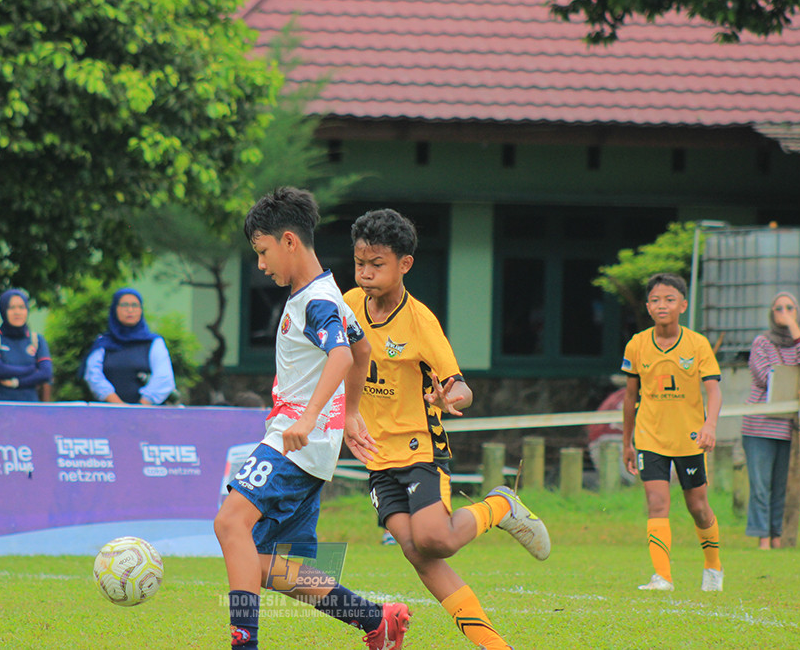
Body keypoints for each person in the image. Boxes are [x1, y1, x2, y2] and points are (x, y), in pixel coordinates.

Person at [344, 209, 550, 649]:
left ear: (405, 264)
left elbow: (462, 388)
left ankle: (500, 506)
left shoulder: (421, 322)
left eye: (376, 264)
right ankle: (494, 645)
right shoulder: (346, 305)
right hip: (377, 456)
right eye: (360, 263)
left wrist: (447, 398)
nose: (365, 274)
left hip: (421, 448)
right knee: (417, 553)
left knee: (435, 539)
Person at [213, 187, 409, 650]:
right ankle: (374, 621)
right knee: (270, 565)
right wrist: (351, 413)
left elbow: (341, 355)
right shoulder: (326, 294)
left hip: (295, 441)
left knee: (229, 525)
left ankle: (244, 645)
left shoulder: (315, 301)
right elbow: (362, 348)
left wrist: (311, 417)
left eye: (262, 252)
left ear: (288, 241)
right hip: (311, 445)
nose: (261, 265)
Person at [621, 273, 724, 592]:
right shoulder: (637, 344)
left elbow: (714, 391)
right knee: (656, 503)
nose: (661, 305)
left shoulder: (697, 344)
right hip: (650, 438)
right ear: (648, 308)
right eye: (654, 300)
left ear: (683, 304)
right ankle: (662, 576)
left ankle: (713, 566)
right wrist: (628, 442)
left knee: (698, 507)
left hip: (689, 439)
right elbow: (629, 396)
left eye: (668, 299)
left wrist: (710, 425)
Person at [742, 291, 800, 550]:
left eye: (789, 307)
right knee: (761, 485)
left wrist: (794, 328)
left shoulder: (799, 342)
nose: (783, 312)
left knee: (780, 486)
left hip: (787, 427)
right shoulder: (762, 342)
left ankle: (777, 536)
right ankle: (763, 538)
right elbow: (764, 377)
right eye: (778, 308)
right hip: (759, 425)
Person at [81, 288, 176, 405]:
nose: (130, 310)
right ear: (115, 309)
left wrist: (141, 406)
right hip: (108, 413)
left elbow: (164, 377)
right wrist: (119, 405)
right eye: (124, 305)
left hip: (146, 415)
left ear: (141, 310)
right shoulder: (103, 343)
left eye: (135, 305)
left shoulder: (153, 342)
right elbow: (93, 375)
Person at [0, 289, 53, 402]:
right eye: (11, 308)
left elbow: (46, 373)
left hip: (29, 407)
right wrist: (32, 369)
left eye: (21, 307)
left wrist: (17, 383)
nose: (17, 312)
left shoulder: (37, 340)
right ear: (3, 310)